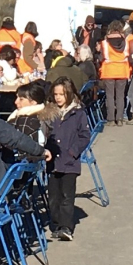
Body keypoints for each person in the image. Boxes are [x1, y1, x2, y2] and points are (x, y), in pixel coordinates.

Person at [47, 78, 90, 241]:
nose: (58, 98)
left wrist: (74, 151)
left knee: (67, 195)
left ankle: (66, 226)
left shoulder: (78, 113)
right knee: (53, 196)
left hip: (70, 162)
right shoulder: (50, 112)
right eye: (56, 94)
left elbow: (84, 136)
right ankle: (57, 223)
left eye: (62, 94)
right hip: (52, 161)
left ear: (69, 95)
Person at [98, 20, 133, 126]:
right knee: (120, 96)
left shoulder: (104, 43)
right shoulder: (126, 42)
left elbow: (101, 57)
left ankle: (111, 119)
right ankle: (120, 119)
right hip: (122, 71)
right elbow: (129, 55)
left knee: (109, 96)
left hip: (108, 71)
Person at [8, 81, 57, 145]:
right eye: (16, 97)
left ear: (33, 102)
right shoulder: (19, 115)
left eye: (21, 99)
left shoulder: (31, 121)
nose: (16, 102)